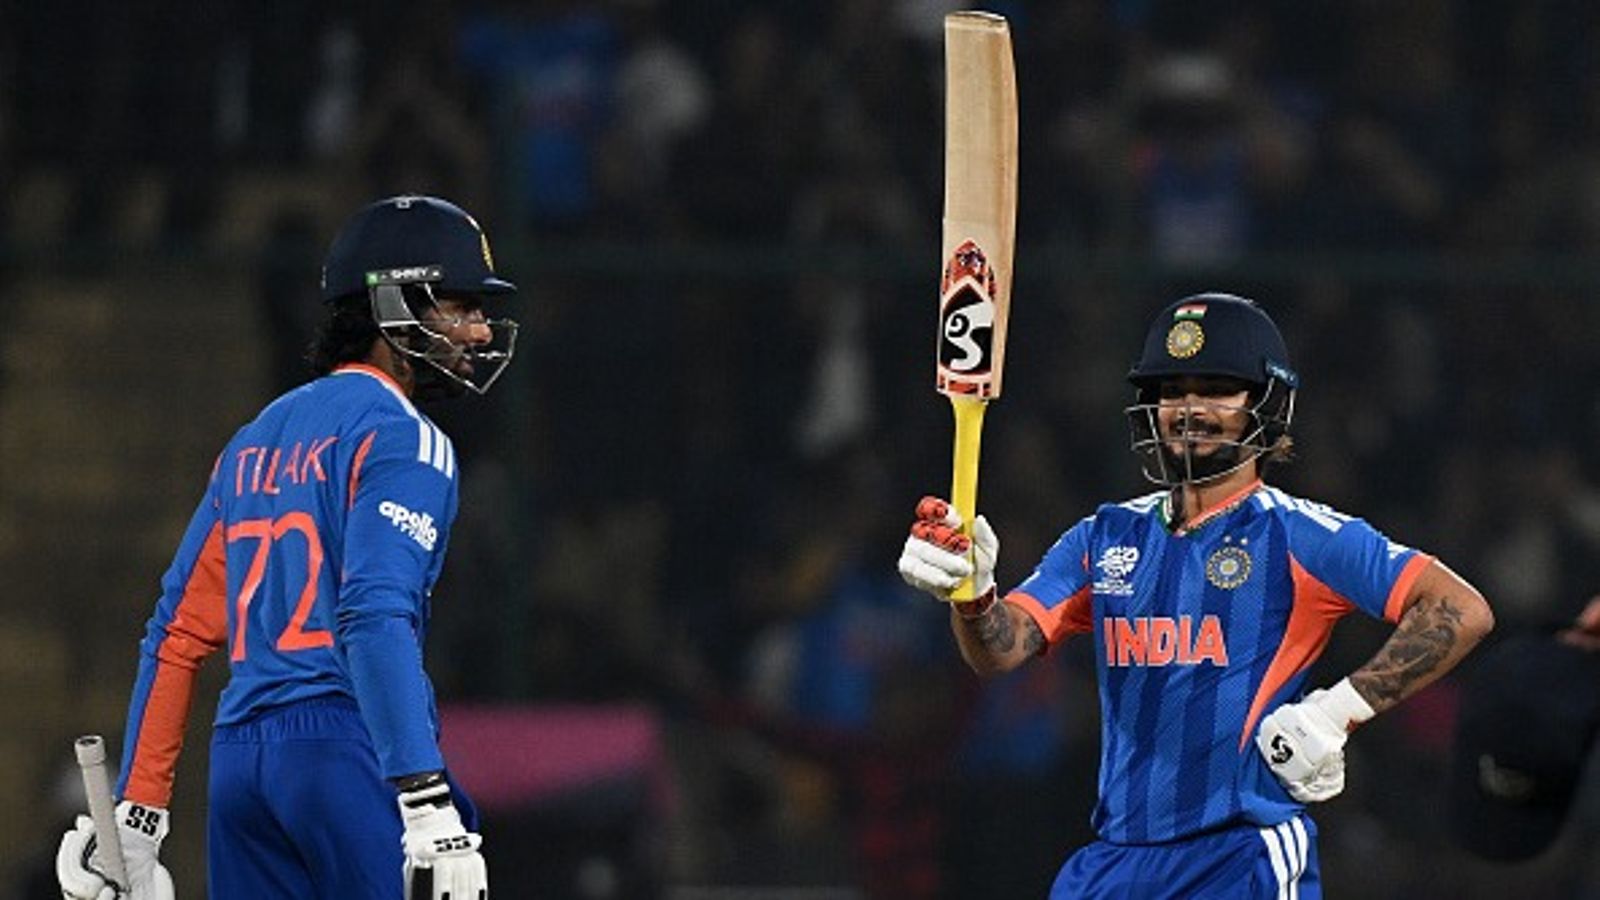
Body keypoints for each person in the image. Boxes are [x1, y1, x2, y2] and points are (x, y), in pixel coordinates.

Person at [898, 292, 1495, 898]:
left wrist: (1334, 712)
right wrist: (971, 595)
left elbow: (1461, 609)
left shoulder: (1299, 535)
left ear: (1266, 402)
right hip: (1113, 863)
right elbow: (998, 651)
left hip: (1240, 856)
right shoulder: (1103, 536)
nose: (1189, 409)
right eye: (1173, 390)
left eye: (1216, 389)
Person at [55, 194, 520, 900]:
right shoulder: (404, 437)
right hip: (344, 748)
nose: (480, 331)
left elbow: (176, 633)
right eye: (461, 306)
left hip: (240, 764)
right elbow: (373, 614)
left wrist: (138, 815)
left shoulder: (253, 439)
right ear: (395, 305)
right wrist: (426, 801)